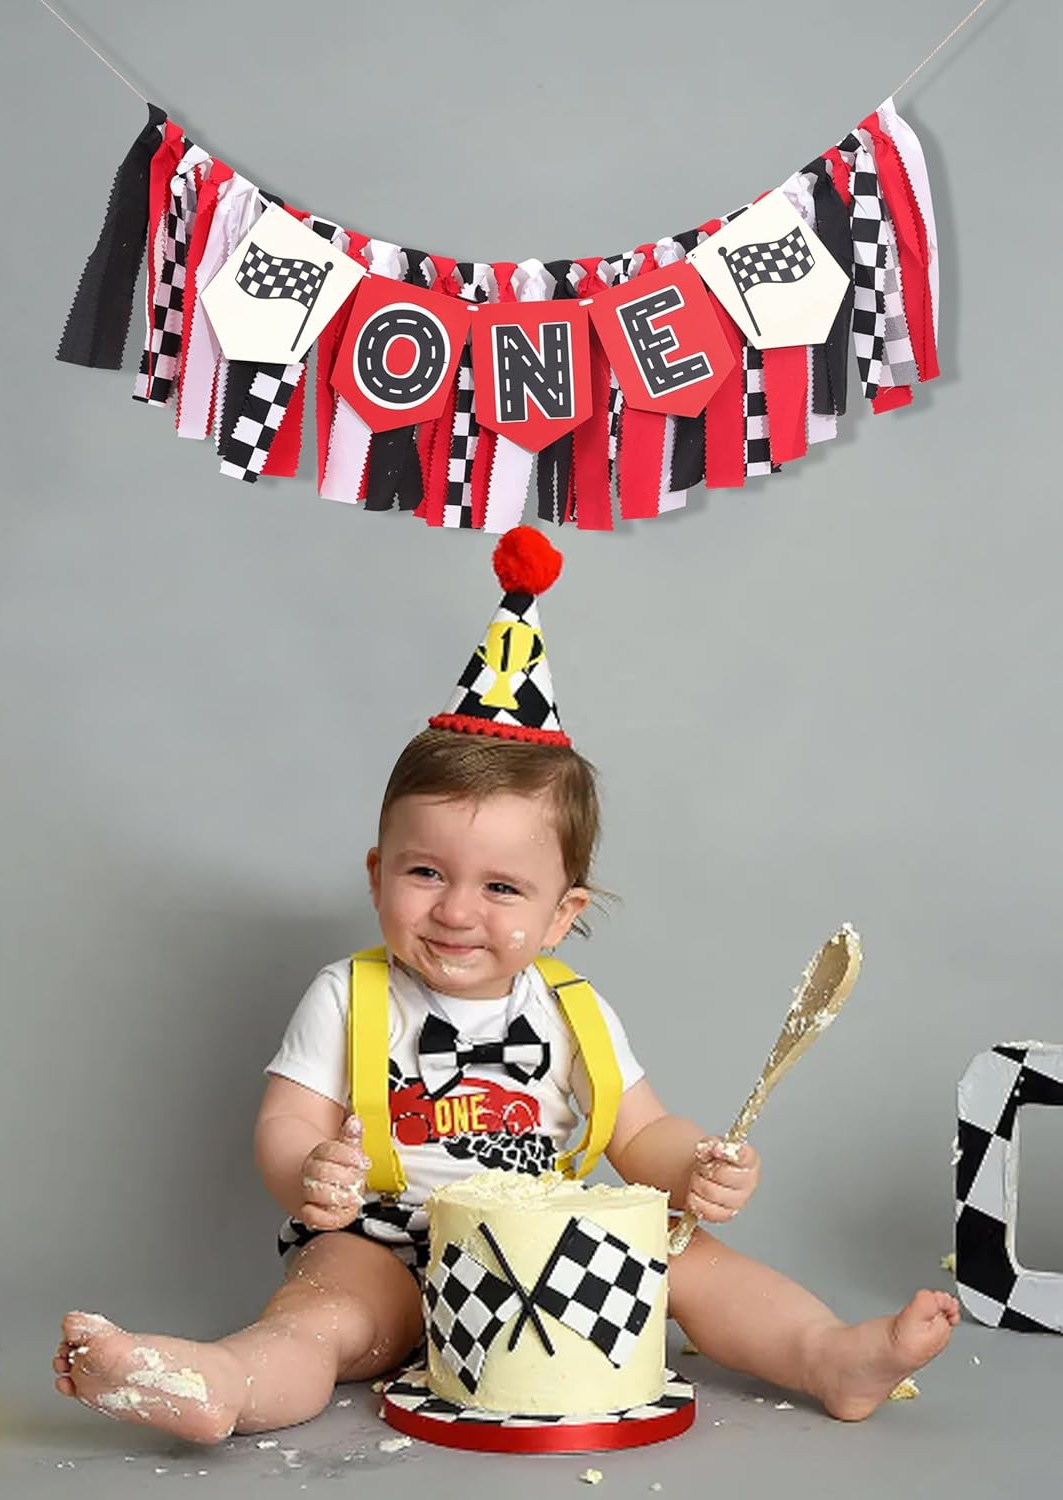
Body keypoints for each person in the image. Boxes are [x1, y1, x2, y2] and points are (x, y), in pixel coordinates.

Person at [54, 528, 958, 1443]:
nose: (456, 910)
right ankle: (224, 1383)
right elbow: (288, 1124)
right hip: (387, 1245)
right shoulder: (347, 994)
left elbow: (640, 1133)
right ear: (377, 875)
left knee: (694, 1263)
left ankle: (829, 1354)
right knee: (326, 1315)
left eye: (501, 888)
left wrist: (695, 1168)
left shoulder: (574, 1011)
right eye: (425, 874)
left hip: (550, 1252)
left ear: (563, 915)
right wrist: (310, 1177)